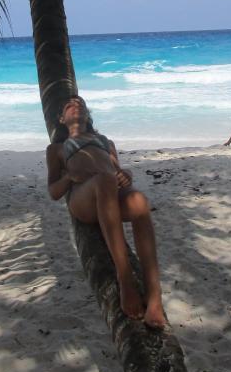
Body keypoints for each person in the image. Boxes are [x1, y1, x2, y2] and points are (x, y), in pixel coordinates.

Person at [46, 96, 167, 330]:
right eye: (68, 104)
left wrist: (126, 174)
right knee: (103, 180)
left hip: (110, 194)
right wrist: (70, 177)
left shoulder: (104, 141)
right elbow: (53, 191)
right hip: (84, 198)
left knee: (140, 201)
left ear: (88, 115)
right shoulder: (57, 149)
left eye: (79, 102)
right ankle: (125, 278)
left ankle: (154, 292)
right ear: (62, 119)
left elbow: (117, 171)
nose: (75, 103)